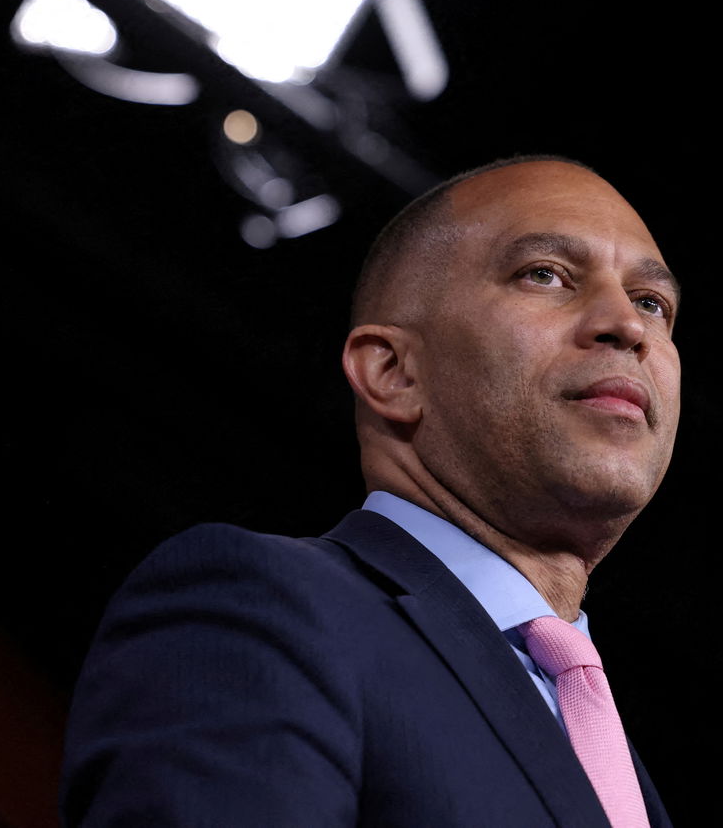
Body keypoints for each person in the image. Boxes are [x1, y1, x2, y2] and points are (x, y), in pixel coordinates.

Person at [62, 156, 680, 826]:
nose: (629, 324)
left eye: (653, 302)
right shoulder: (261, 608)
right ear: (392, 371)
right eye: (545, 275)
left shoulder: (611, 749)